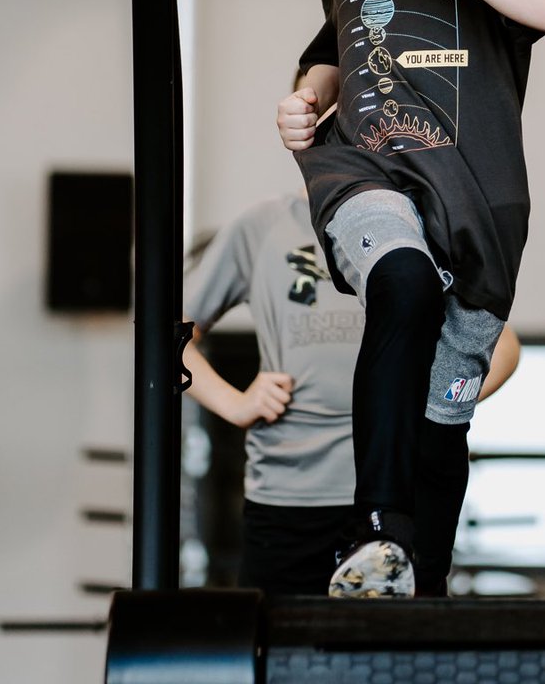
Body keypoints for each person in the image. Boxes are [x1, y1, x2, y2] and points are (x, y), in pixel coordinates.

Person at [277, 0, 545, 598]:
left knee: (443, 421)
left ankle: (422, 592)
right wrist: (306, 99)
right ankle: (372, 532)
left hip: (477, 191)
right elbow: (334, 40)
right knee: (399, 284)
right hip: (365, 165)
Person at [182, 173, 521, 597]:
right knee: (280, 652)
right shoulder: (262, 225)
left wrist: (425, 403)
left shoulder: (411, 224)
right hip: (288, 501)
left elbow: (502, 346)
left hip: (395, 497)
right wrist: (235, 404)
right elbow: (167, 336)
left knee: (395, 655)